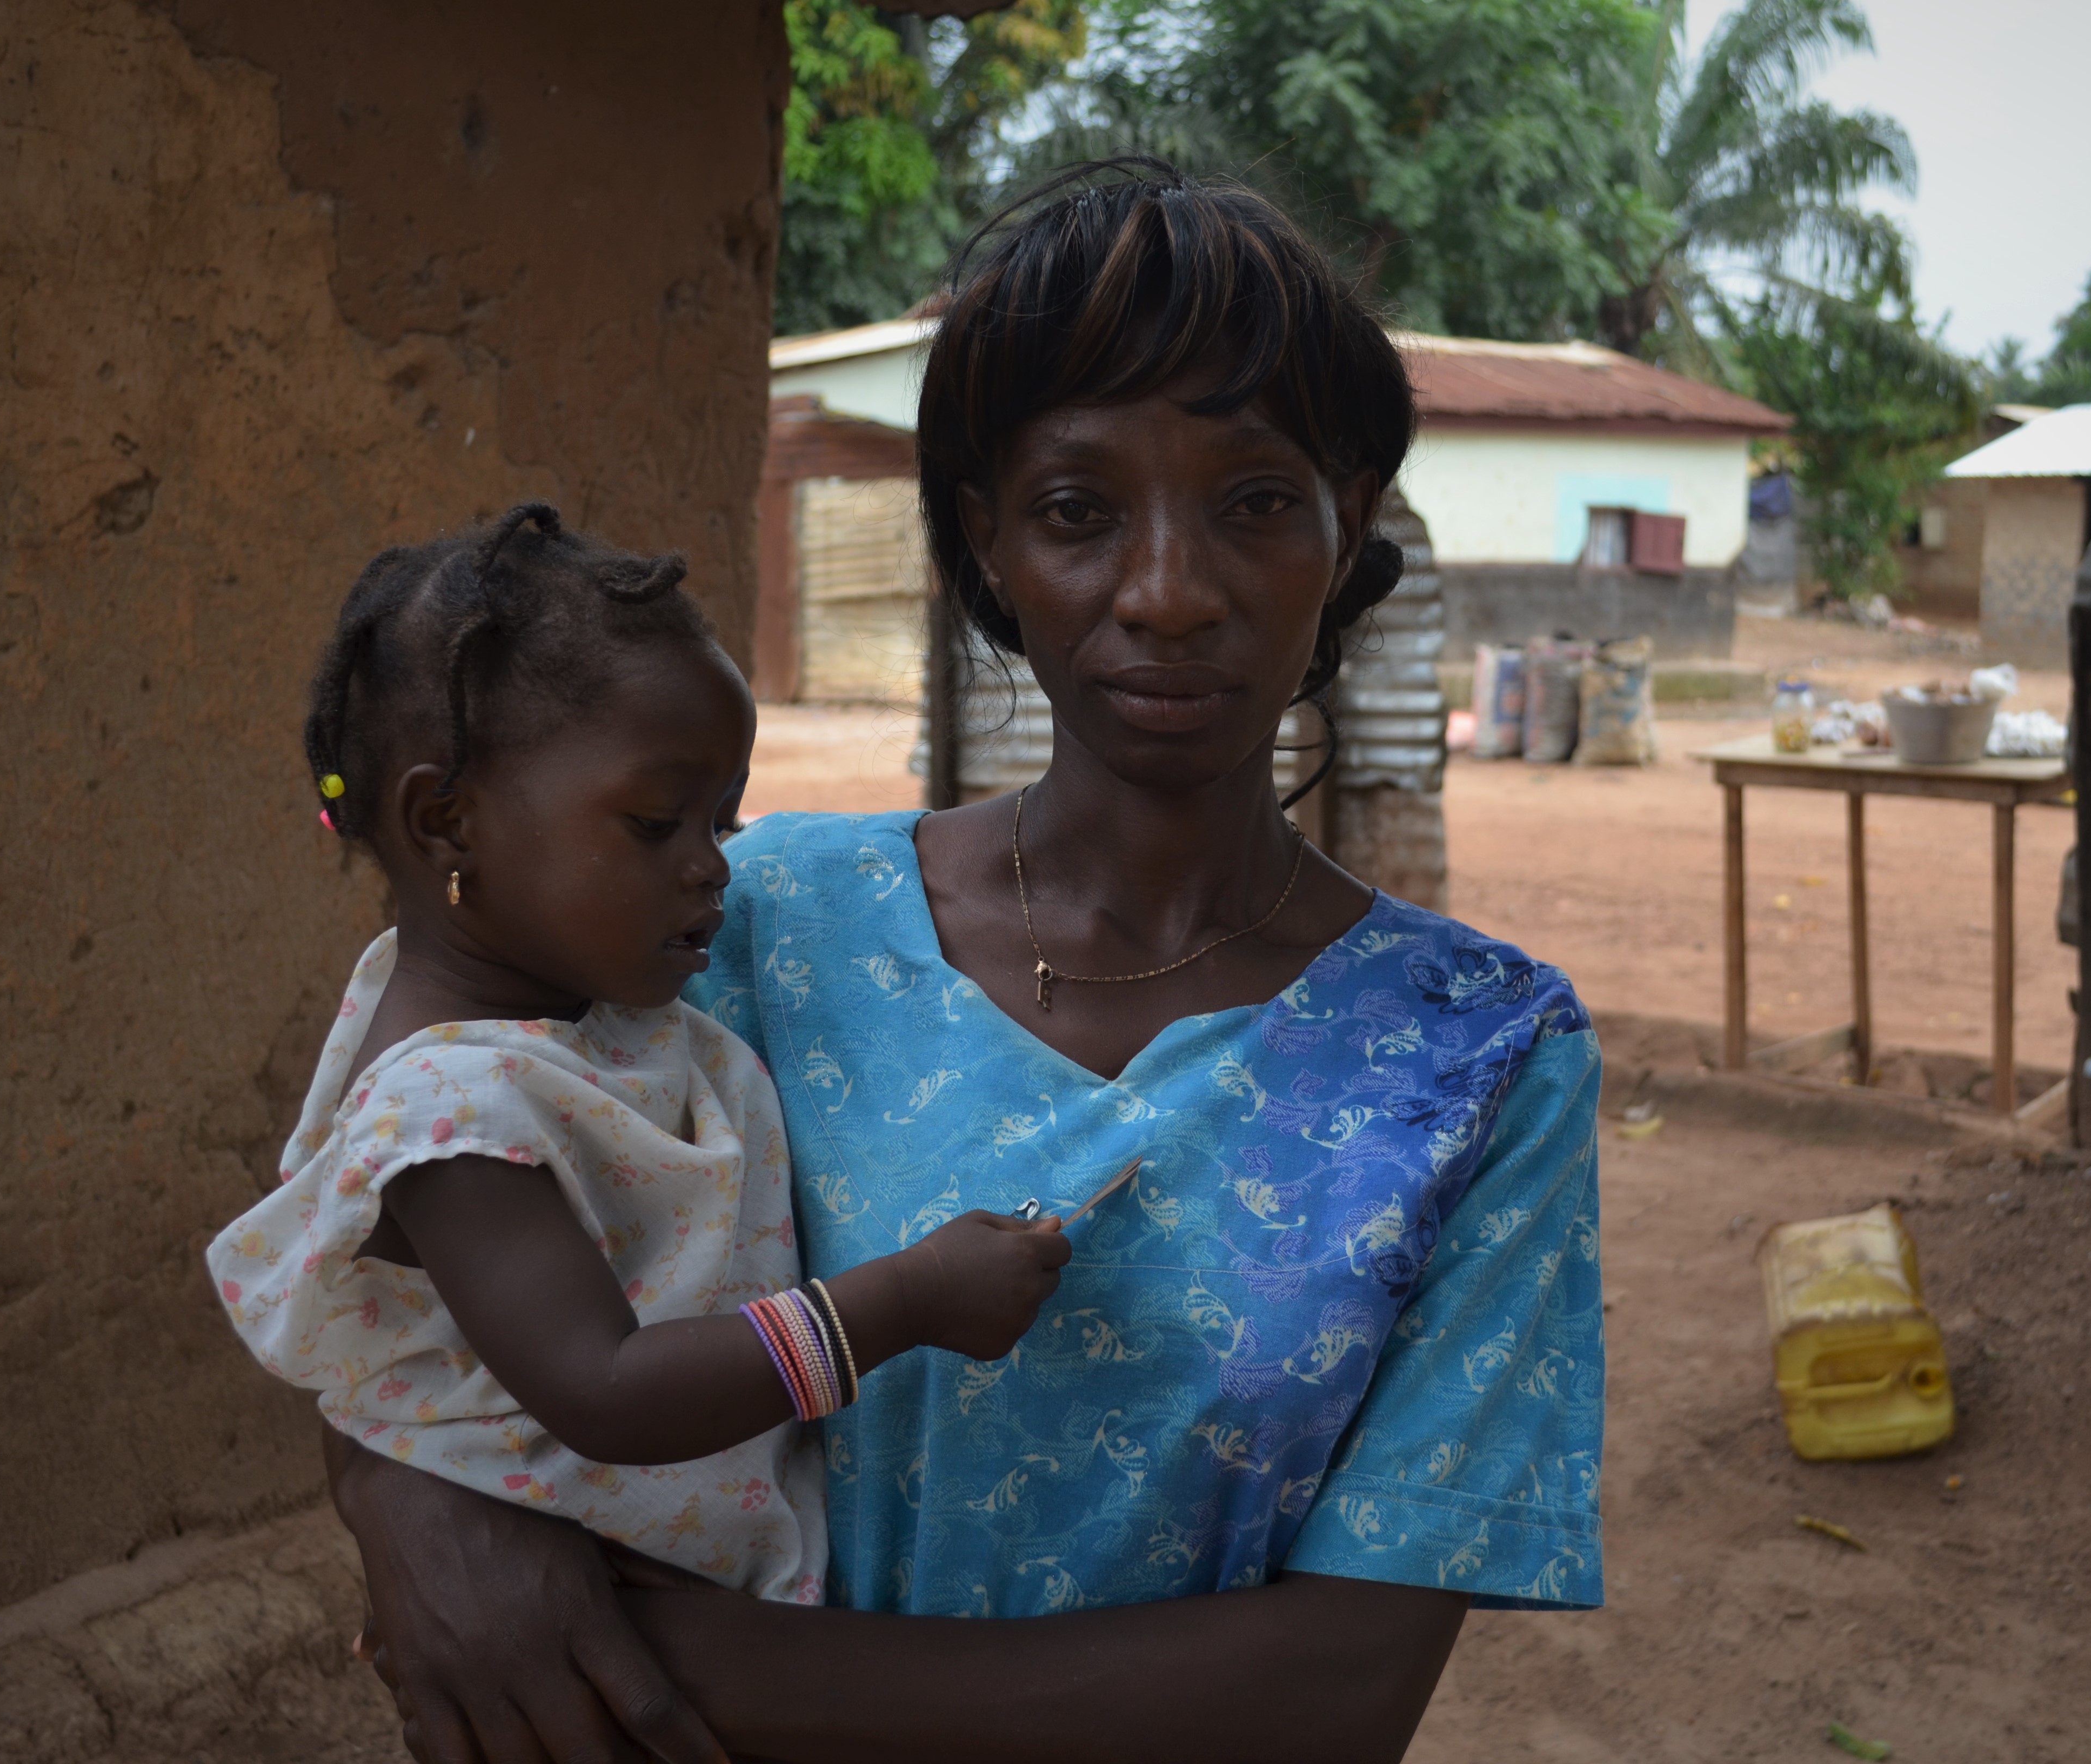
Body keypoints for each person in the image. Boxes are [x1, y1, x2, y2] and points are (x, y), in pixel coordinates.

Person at [328, 162, 1605, 1764]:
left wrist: (662, 1654)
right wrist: (397, 1495)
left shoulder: (1479, 1057)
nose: (1165, 590)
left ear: (1349, 534)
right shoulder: (744, 925)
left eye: (1256, 502)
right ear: (986, 545)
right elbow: (402, 1193)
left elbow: (1342, 1686)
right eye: (1079, 512)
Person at [208, 506, 1073, 1660]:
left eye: (724, 817)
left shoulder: (567, 1009)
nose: (714, 866)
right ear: (444, 821)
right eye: (658, 823)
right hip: (586, 1650)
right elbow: (605, 1391)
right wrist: (904, 1304)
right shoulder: (450, 1112)